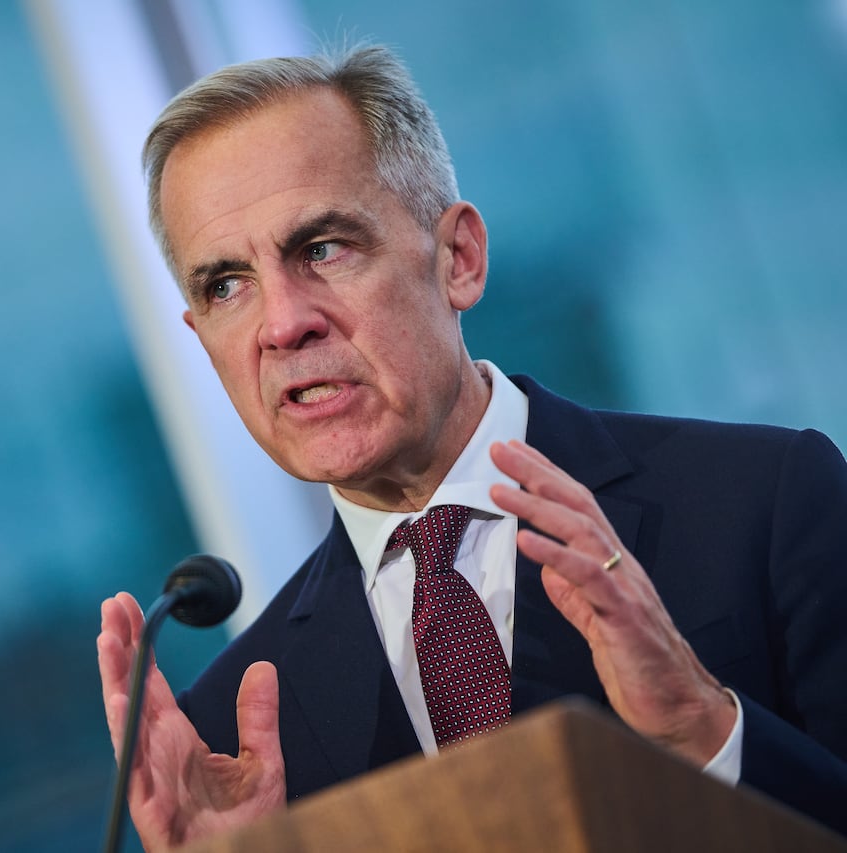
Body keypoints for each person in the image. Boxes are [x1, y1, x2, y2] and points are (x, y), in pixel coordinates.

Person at [96, 44, 847, 850]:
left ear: (458, 258)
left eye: (322, 248)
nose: (283, 324)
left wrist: (707, 731)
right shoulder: (231, 731)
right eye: (226, 286)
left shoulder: (764, 503)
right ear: (201, 338)